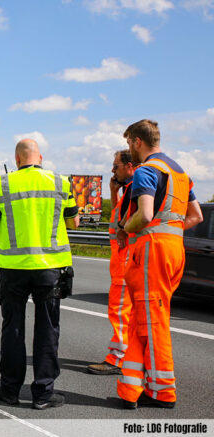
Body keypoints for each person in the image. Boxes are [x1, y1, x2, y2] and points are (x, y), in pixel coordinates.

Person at [0, 138, 79, 410]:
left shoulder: (3, 184)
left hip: (13, 269)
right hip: (49, 268)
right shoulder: (61, 183)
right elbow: (73, 221)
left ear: (17, 159)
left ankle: (10, 390)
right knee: (48, 330)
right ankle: (43, 395)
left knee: (12, 328)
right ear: (41, 157)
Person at [116, 119, 203, 409]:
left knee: (152, 323)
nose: (130, 150)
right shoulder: (180, 173)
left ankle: (163, 392)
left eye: (130, 144)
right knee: (148, 318)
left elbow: (144, 214)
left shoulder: (146, 171)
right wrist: (171, 230)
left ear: (138, 142)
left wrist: (127, 228)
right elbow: (196, 217)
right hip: (174, 249)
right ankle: (133, 389)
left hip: (152, 250)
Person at [87, 149, 138, 375]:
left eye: (115, 166)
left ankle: (117, 358)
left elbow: (126, 224)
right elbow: (119, 218)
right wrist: (113, 192)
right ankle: (132, 355)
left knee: (119, 312)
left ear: (129, 166)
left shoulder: (136, 188)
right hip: (125, 261)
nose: (112, 170)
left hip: (126, 263)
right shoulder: (128, 190)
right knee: (130, 314)